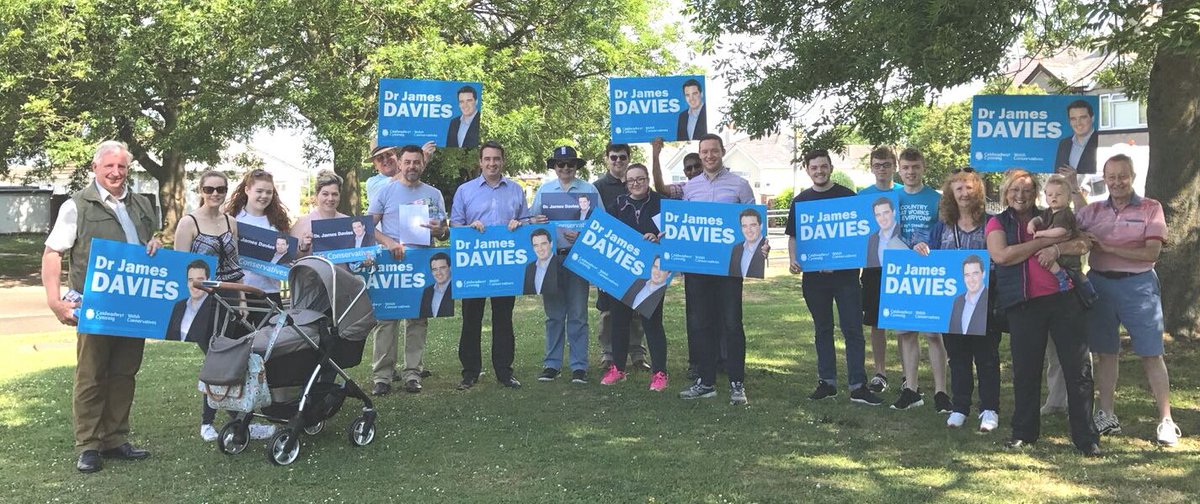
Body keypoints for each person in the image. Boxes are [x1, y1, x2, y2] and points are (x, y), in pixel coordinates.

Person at [42, 141, 160, 472]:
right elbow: (52, 253)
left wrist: (154, 244)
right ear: (95, 167)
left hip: (134, 305)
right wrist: (54, 301)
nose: (116, 172)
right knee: (91, 374)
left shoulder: (142, 204)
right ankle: (89, 445)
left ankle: (115, 439)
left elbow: (147, 243)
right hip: (94, 305)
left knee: (124, 373)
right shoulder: (77, 205)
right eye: (109, 166)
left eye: (122, 166)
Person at [1064, 155, 1180, 446]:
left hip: (1138, 286)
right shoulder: (1095, 210)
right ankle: (1106, 414)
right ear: (1105, 178)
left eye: (1122, 176)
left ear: (1133, 177)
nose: (1117, 182)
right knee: (1106, 353)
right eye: (1112, 177)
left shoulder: (1151, 208)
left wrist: (1107, 247)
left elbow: (1151, 253)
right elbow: (1077, 221)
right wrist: (1073, 188)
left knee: (1151, 353)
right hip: (1100, 284)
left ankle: (1166, 420)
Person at [986, 168, 1100, 456]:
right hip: (1023, 304)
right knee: (1026, 370)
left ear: (1036, 193)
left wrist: (1058, 250)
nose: (1020, 195)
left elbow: (1084, 242)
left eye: (1027, 190)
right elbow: (1002, 255)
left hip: (1064, 300)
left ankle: (1086, 437)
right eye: (1015, 190)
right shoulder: (997, 222)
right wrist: (1044, 242)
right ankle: (1024, 432)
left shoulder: (1053, 213)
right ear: (1005, 193)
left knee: (1078, 369)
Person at [787, 149, 882, 406]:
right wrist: (794, 259)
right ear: (807, 170)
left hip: (846, 278)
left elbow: (859, 236)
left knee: (853, 330)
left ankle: (858, 386)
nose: (819, 171)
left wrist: (840, 262)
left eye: (823, 166)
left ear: (830, 167)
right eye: (814, 167)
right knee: (822, 330)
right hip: (814, 280)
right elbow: (794, 237)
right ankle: (827, 383)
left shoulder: (848, 197)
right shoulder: (801, 201)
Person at [913, 167, 1001, 432]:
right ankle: (960, 407)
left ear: (978, 191)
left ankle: (989, 409)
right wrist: (920, 248)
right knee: (958, 357)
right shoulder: (942, 227)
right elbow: (927, 252)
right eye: (958, 188)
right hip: (953, 305)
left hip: (986, 302)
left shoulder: (991, 224)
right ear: (950, 193)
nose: (964, 193)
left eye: (969, 187)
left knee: (987, 358)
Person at [677, 133, 754, 405]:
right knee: (701, 325)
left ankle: (737, 384)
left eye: (714, 151)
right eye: (704, 152)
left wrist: (760, 245)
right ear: (700, 155)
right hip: (698, 269)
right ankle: (706, 382)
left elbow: (754, 224)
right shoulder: (690, 188)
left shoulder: (740, 185)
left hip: (729, 268)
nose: (709, 156)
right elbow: (682, 225)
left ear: (722, 152)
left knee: (732, 324)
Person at [368, 144, 448, 395]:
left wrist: (441, 230)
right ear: (400, 164)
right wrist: (389, 243)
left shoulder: (434, 193)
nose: (412, 166)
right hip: (392, 263)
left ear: (423, 163)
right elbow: (368, 227)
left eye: (417, 162)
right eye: (408, 162)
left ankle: (412, 373)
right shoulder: (385, 191)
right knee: (387, 319)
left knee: (417, 319)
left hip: (421, 262)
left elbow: (444, 231)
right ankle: (382, 376)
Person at [450, 140, 530, 390]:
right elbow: (455, 225)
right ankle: (470, 372)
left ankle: (504, 372)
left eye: (496, 159)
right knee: (471, 318)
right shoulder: (465, 190)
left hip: (505, 266)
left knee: (503, 319)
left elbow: (527, 222)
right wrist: (469, 228)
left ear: (503, 161)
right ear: (480, 162)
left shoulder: (516, 190)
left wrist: (519, 224)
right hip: (474, 264)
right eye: (487, 159)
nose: (492, 163)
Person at [529, 146, 598, 383]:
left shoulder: (589, 190)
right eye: (561, 164)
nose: (566, 168)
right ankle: (552, 364)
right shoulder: (545, 190)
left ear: (576, 166)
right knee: (554, 315)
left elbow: (601, 224)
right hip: (551, 259)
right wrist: (535, 220)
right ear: (554, 167)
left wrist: (583, 236)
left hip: (578, 258)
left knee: (578, 314)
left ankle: (579, 366)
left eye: (570, 163)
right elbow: (532, 221)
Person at [602, 163, 673, 391]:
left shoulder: (662, 204)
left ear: (648, 179)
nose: (636, 183)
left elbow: (673, 236)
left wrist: (658, 238)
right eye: (631, 180)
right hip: (621, 272)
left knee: (652, 322)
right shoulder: (617, 205)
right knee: (619, 321)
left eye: (640, 179)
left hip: (653, 273)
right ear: (626, 183)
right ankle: (618, 369)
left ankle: (660, 373)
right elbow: (606, 235)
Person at [593, 142, 648, 371]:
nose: (618, 161)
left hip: (636, 254)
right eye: (613, 157)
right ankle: (609, 353)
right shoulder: (597, 188)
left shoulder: (637, 183)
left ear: (628, 158)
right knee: (608, 309)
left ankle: (637, 353)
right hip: (609, 255)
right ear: (606, 158)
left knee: (636, 305)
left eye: (622, 157)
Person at [857, 148, 902, 396]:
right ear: (871, 167)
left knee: (905, 323)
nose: (882, 169)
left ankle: (908, 376)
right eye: (877, 164)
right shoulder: (862, 196)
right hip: (873, 269)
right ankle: (880, 373)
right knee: (876, 323)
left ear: (894, 166)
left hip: (902, 268)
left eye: (886, 164)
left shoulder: (903, 193)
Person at [226, 168, 292, 316]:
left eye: (269, 192)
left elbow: (286, 257)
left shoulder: (278, 222)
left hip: (270, 292)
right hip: (239, 293)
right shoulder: (233, 219)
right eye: (259, 191)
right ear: (247, 190)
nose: (264, 196)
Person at [292, 170, 351, 256]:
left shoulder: (349, 222)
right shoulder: (302, 223)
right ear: (317, 195)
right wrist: (303, 248)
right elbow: (290, 258)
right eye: (325, 194)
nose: (330, 198)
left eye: (334, 194)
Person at [947, 255, 989, 336]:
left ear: (983, 274)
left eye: (975, 274)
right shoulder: (958, 301)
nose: (971, 280)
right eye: (967, 275)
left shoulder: (989, 299)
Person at [1054, 99, 1098, 175]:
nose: (1078, 123)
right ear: (1069, 122)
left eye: (1083, 117)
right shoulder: (1064, 143)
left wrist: (1076, 176)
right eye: (1073, 119)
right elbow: (1057, 173)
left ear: (1092, 118)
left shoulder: (1101, 141)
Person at [727, 208, 766, 278]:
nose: (749, 230)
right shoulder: (736, 249)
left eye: (753, 225)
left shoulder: (767, 247)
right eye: (744, 226)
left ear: (761, 226)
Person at [523, 228, 560, 296]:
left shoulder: (561, 265)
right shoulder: (529, 268)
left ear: (551, 244)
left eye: (543, 244)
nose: (540, 249)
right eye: (536, 245)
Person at [420, 252, 454, 318]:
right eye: (435, 269)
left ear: (450, 268)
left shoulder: (455, 288)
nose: (439, 273)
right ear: (432, 272)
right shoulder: (427, 291)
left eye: (442, 268)